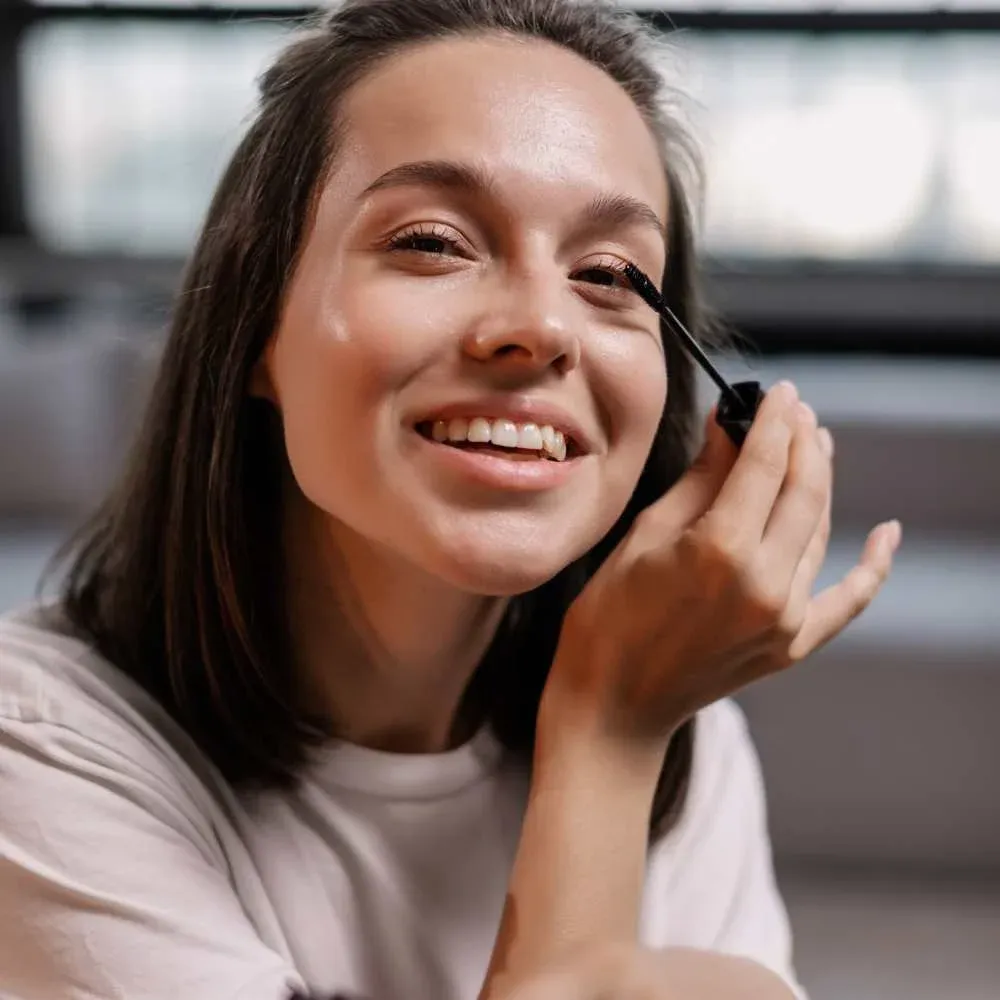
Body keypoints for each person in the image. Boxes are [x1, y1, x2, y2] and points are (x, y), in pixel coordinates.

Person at [0, 2, 902, 999]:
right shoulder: (32, 749)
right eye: (431, 242)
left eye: (608, 274)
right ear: (254, 323)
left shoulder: (675, 713)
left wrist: (624, 715)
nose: (540, 328)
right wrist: (605, 734)